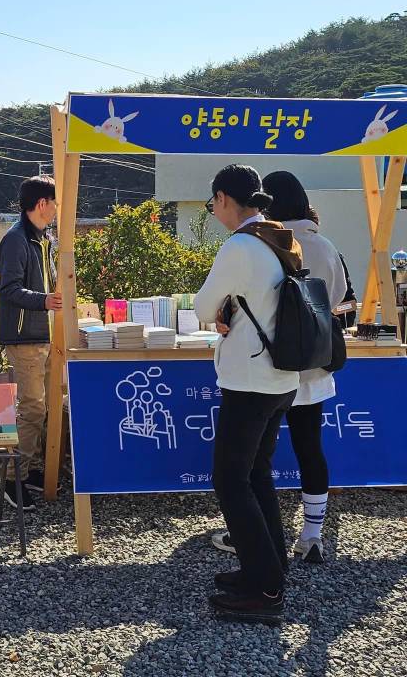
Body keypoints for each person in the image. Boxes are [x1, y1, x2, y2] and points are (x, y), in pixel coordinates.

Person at [210, 171, 347, 564]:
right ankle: (313, 534)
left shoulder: (267, 243)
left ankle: (259, 541)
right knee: (310, 448)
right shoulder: (324, 244)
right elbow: (336, 297)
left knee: (252, 466)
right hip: (315, 362)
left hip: (272, 365)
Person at [194, 164, 302, 624]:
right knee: (257, 474)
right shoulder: (279, 238)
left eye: (213, 202)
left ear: (222, 199)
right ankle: (268, 569)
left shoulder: (240, 244)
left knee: (231, 479)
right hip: (282, 376)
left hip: (250, 380)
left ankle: (266, 589)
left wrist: (221, 310)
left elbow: (201, 307)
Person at [0, 175, 61, 511]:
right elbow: (8, 290)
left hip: (44, 334)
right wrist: (45, 301)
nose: (56, 209)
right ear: (41, 204)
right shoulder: (16, 240)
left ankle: (33, 471)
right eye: (54, 202)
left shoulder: (42, 238)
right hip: (25, 338)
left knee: (46, 407)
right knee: (33, 408)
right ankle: (12, 480)